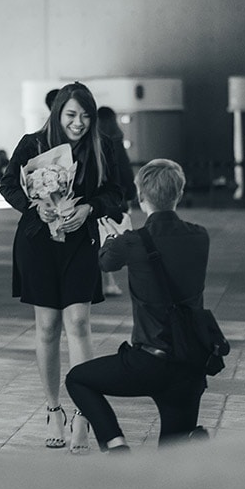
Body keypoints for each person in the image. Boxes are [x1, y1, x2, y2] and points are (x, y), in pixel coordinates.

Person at [0, 82, 125, 454]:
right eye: (71, 115)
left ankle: (84, 413)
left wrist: (89, 208)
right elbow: (8, 185)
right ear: (57, 114)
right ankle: (54, 410)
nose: (79, 123)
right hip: (38, 243)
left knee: (79, 323)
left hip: (80, 243)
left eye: (85, 116)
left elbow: (116, 192)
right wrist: (34, 206)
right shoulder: (32, 144)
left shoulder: (103, 147)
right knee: (48, 326)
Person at [65, 158, 209, 453]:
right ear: (179, 194)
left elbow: (106, 262)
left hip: (147, 362)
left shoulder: (132, 242)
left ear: (141, 196)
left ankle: (116, 444)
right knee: (171, 456)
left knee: (78, 379)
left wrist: (115, 238)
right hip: (189, 366)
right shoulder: (200, 236)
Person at [96, 106, 137, 297]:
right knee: (110, 240)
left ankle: (104, 281)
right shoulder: (115, 141)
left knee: (98, 240)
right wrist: (130, 194)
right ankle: (109, 283)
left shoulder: (93, 142)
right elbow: (125, 170)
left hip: (96, 200)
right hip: (116, 200)